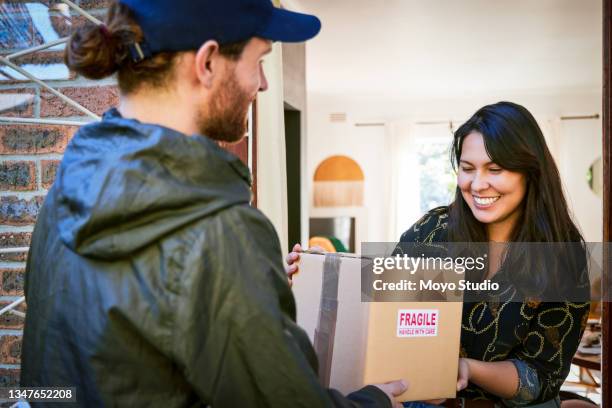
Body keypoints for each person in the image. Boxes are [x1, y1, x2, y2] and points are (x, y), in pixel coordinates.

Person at [20, 0, 408, 406]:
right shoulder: (219, 229)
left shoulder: (67, 188)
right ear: (207, 63)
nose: (263, 83)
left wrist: (249, 290)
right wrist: (375, 402)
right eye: (259, 61)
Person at [287, 102, 590, 407]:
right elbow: (380, 307)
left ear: (531, 171)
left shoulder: (562, 253)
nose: (477, 184)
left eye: (495, 169)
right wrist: (319, 274)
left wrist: (466, 369)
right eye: (467, 168)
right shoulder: (434, 230)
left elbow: (539, 378)